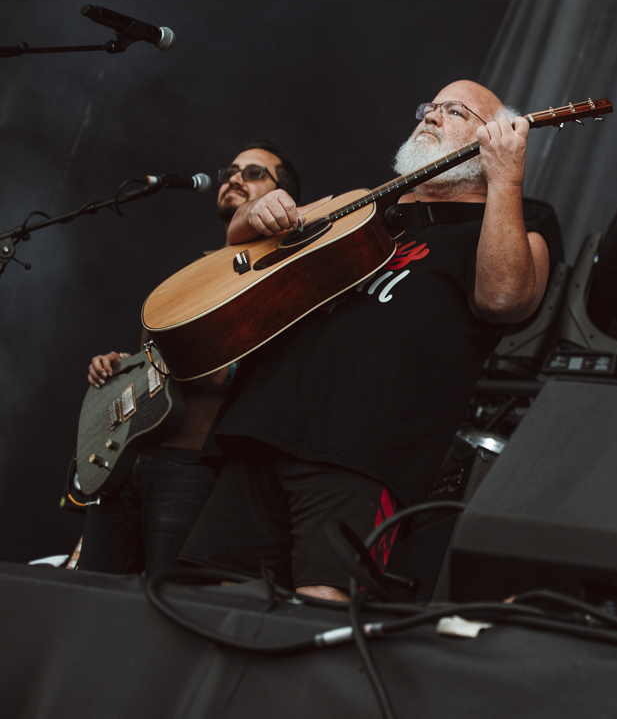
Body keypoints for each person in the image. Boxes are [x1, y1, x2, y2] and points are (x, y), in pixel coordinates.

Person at [180, 80, 549, 600]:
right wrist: (250, 216)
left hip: (364, 453)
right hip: (265, 428)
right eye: (429, 107)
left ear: (493, 138)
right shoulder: (361, 210)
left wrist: (505, 179)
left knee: (321, 608)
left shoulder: (507, 232)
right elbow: (240, 239)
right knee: (221, 605)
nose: (431, 116)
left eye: (455, 111)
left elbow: (505, 298)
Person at [77, 142, 302, 574]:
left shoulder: (279, 275)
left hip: (194, 464)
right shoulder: (191, 273)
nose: (234, 178)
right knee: (89, 598)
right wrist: (121, 368)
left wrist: (220, 367)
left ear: (282, 194)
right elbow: (153, 360)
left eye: (254, 172)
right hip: (129, 457)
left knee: (168, 607)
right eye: (231, 170)